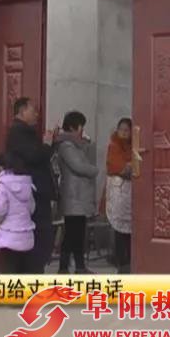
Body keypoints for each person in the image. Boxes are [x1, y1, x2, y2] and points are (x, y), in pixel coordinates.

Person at [4, 97, 57, 273]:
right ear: (22, 112)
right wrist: (47, 145)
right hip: (32, 193)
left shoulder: (26, 132)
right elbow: (34, 157)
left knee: (41, 237)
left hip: (35, 192)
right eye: (33, 110)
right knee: (38, 237)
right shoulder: (18, 133)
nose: (36, 114)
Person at [55, 111, 99, 274]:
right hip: (73, 197)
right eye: (81, 126)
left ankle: (79, 267)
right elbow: (79, 166)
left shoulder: (76, 144)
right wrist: (94, 170)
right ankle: (64, 268)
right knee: (71, 234)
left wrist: (86, 143)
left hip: (79, 197)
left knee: (78, 233)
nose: (82, 130)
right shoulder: (66, 146)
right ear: (73, 127)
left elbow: (87, 158)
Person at [0, 156, 36, 274]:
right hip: (25, 236)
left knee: (9, 270)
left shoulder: (3, 184)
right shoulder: (27, 183)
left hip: (8, 237)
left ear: (1, 167)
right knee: (23, 271)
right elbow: (32, 208)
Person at [105, 118, 133, 274]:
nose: (123, 132)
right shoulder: (114, 145)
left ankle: (130, 261)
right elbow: (116, 166)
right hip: (118, 192)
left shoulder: (134, 146)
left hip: (131, 194)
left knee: (131, 229)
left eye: (127, 130)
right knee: (119, 229)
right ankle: (121, 263)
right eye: (121, 129)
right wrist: (128, 167)